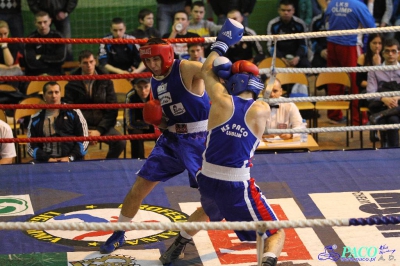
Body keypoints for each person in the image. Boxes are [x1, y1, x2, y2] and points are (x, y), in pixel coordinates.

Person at [161, 18, 285, 266]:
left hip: (205, 178)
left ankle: (176, 247)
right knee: (276, 232)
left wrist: (223, 42)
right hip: (236, 184)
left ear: (230, 81)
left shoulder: (218, 101)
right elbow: (261, 95)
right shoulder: (262, 109)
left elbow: (206, 70)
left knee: (207, 209)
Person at [99, 37, 210, 255]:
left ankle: (182, 240)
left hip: (200, 141)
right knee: (138, 187)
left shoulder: (185, 68)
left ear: (167, 55)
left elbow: (211, 71)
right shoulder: (154, 81)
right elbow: (165, 121)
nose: (152, 65)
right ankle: (119, 232)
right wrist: (155, 120)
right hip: (171, 140)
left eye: (155, 59)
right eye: (147, 60)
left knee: (213, 197)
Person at [64, 50, 126, 159]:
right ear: (79, 64)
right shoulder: (71, 83)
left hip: (101, 125)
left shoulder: (105, 80)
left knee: (120, 142)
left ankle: (107, 167)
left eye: (91, 62)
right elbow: (70, 110)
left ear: (95, 62)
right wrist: (83, 130)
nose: (89, 65)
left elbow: (112, 108)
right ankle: (79, 170)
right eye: (85, 63)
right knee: (73, 145)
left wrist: (99, 131)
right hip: (81, 127)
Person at [324, 0, 375, 124]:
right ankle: (358, 119)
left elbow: (325, 21)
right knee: (356, 81)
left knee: (334, 80)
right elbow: (372, 27)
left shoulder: (332, 4)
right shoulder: (358, 5)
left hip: (332, 45)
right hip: (350, 46)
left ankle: (334, 114)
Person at [27, 81, 89, 163]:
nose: (54, 96)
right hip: (45, 160)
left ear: (60, 94)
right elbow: (30, 147)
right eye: (50, 93)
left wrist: (70, 157)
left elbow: (84, 139)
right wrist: (47, 159)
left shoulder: (74, 112)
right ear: (44, 96)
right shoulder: (35, 119)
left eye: (56, 92)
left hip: (71, 159)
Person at [366, 38, 400, 148]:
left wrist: (397, 97)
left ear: (398, 53)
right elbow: (370, 92)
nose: (390, 54)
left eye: (393, 51)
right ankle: (393, 151)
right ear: (383, 53)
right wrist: (384, 99)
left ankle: (377, 117)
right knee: (392, 119)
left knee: (391, 119)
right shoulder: (374, 70)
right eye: (387, 51)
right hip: (383, 106)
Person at [267, 0, 310, 69]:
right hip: (279, 56)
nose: (286, 13)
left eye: (289, 10)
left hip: (296, 56)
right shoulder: (273, 24)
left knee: (306, 65)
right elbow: (271, 46)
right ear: (279, 10)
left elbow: (304, 45)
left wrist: (297, 57)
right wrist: (281, 58)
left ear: (293, 11)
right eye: (283, 10)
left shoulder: (300, 24)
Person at [357, 33, 384, 142]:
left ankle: (380, 130)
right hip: (367, 91)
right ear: (369, 44)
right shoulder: (363, 58)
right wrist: (373, 86)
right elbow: (358, 81)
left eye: (380, 43)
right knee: (375, 101)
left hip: (383, 91)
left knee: (383, 102)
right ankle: (374, 129)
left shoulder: (387, 57)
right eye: (374, 43)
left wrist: (379, 64)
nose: (377, 46)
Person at [23, 11, 66, 76]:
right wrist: (51, 61)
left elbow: (61, 59)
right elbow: (30, 63)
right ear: (35, 23)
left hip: (55, 74)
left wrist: (41, 57)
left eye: (45, 22)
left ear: (50, 21)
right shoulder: (30, 38)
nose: (42, 25)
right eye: (39, 23)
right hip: (35, 74)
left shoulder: (58, 36)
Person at [125, 77, 154, 159]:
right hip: (138, 126)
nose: (143, 91)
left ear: (151, 85)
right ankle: (137, 162)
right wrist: (149, 124)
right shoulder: (131, 96)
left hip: (154, 125)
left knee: (163, 132)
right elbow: (130, 123)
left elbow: (163, 118)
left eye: (146, 87)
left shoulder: (156, 93)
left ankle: (164, 161)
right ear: (134, 86)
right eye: (140, 87)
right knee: (135, 133)